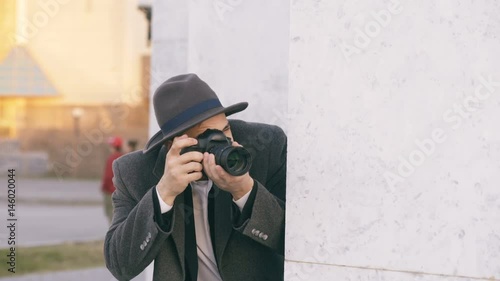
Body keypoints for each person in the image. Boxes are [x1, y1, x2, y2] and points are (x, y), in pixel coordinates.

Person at [104, 74, 287, 280]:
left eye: (225, 129)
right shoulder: (134, 172)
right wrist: (163, 194)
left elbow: (297, 241)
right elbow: (119, 266)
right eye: (208, 137)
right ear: (172, 145)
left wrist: (245, 191)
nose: (224, 143)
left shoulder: (266, 148)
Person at [101, 136, 124, 224]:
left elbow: (108, 176)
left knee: (111, 214)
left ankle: (113, 236)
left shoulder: (111, 158)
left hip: (110, 191)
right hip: (122, 192)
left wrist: (104, 188)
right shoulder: (124, 157)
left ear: (114, 147)